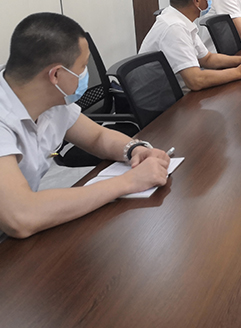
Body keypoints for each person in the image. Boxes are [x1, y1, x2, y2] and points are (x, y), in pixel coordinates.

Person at [0, 13, 171, 239]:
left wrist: (134, 149)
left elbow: (97, 137)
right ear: (55, 75)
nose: (85, 75)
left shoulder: (50, 98)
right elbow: (21, 216)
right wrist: (128, 182)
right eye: (82, 66)